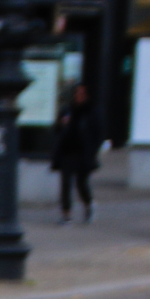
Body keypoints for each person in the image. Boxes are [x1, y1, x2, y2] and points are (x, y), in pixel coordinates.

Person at [52, 81, 103, 222]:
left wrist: (92, 152)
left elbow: (97, 134)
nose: (79, 96)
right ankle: (66, 213)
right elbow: (57, 129)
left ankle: (88, 204)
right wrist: (62, 124)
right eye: (77, 93)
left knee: (81, 183)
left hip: (83, 153)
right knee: (65, 183)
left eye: (82, 93)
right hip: (68, 151)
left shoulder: (91, 111)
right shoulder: (68, 110)